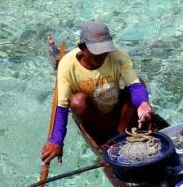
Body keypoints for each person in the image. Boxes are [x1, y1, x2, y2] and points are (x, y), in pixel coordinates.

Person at [41, 20, 155, 164]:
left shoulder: (118, 57)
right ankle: (102, 141)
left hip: (116, 116)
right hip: (93, 119)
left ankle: (120, 136)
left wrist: (143, 104)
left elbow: (135, 86)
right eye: (96, 52)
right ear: (83, 47)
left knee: (139, 84)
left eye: (105, 51)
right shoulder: (67, 65)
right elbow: (62, 107)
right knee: (77, 101)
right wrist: (56, 141)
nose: (102, 56)